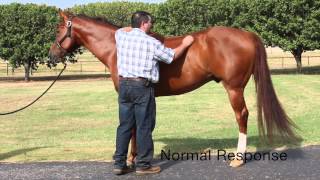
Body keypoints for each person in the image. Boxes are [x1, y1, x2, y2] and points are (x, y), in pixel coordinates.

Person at [113, 11, 194, 175]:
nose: (152, 26)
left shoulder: (120, 36)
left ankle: (119, 164)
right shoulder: (151, 43)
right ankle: (143, 165)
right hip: (142, 87)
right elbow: (171, 57)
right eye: (150, 23)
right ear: (144, 23)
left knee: (124, 126)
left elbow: (123, 29)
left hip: (124, 86)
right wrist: (185, 43)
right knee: (144, 126)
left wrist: (134, 24)